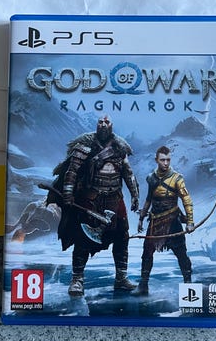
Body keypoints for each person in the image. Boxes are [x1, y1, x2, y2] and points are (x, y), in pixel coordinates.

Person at [46, 115, 139, 296]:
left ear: (111, 125)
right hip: (91, 199)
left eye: (107, 122)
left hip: (115, 199)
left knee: (122, 236)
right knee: (82, 238)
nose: (103, 125)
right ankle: (77, 280)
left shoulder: (120, 148)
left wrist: (135, 195)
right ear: (97, 125)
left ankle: (121, 278)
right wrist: (68, 193)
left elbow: (128, 174)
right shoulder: (84, 146)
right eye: (100, 122)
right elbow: (72, 172)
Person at [135, 146, 194, 295]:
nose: (166, 163)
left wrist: (190, 222)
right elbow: (149, 199)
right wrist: (141, 218)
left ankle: (188, 285)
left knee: (181, 253)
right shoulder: (151, 178)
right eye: (162, 160)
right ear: (156, 160)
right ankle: (143, 286)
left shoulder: (177, 178)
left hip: (173, 221)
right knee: (147, 253)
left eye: (168, 160)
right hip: (155, 221)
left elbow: (186, 200)